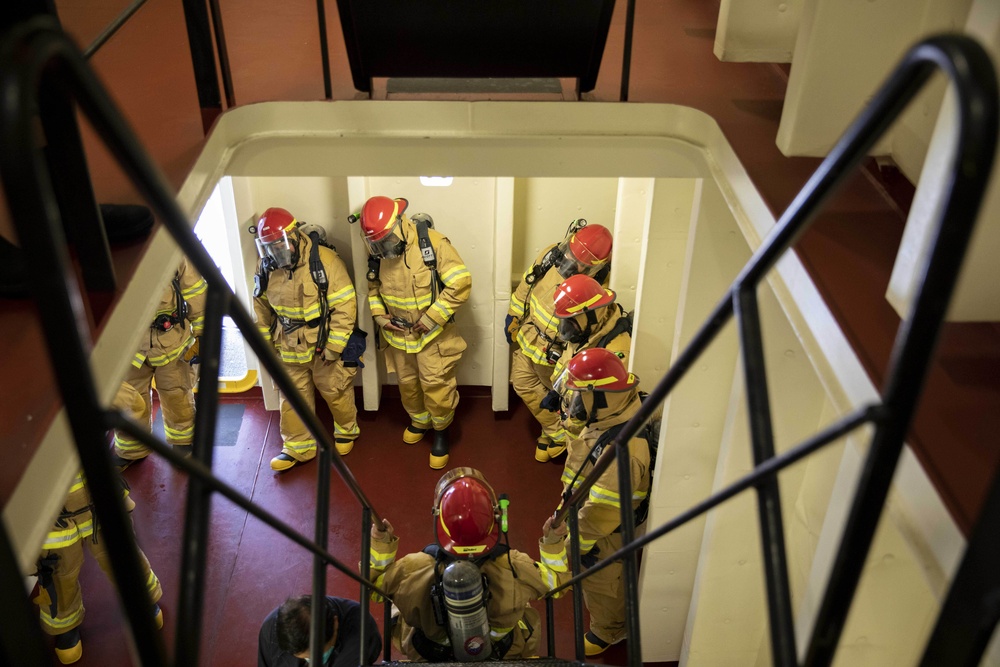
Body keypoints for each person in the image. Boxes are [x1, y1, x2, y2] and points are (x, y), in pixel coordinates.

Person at [35, 382, 164, 664]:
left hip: (98, 500)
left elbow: (135, 403)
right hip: (50, 514)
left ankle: (144, 597)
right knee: (57, 572)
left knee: (122, 552)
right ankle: (65, 625)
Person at [366, 468, 550, 661]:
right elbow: (555, 581)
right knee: (523, 600)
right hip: (503, 651)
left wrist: (381, 542)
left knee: (398, 605)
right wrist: (552, 539)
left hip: (430, 653)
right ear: (496, 518)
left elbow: (375, 586)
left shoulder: (411, 568)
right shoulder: (516, 566)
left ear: (440, 519)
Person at [538, 348, 651, 656]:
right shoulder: (610, 416)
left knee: (603, 582)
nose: (574, 404)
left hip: (604, 533)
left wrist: (572, 545)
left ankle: (610, 630)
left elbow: (603, 512)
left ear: (599, 396)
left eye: (579, 396)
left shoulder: (622, 453)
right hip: (587, 514)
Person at [357, 196, 471, 469]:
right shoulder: (377, 253)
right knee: (407, 383)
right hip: (397, 336)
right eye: (377, 243)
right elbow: (373, 290)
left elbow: (461, 283)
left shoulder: (433, 244)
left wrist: (432, 318)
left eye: (386, 239)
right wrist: (381, 318)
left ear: (399, 223)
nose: (383, 247)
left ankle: (441, 432)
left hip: (432, 336)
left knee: (436, 386)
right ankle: (420, 421)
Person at [252, 207, 365, 471]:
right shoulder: (266, 266)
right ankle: (297, 447)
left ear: (293, 237)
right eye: (269, 247)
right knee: (292, 396)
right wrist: (264, 349)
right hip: (288, 344)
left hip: (322, 344)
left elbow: (345, 305)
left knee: (335, 390)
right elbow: (261, 309)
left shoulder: (325, 261)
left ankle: (347, 430)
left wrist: (335, 347)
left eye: (279, 245)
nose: (275, 252)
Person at [505, 220, 613, 463]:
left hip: (557, 353)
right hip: (529, 337)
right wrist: (513, 315)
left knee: (560, 400)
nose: (571, 264)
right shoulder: (550, 254)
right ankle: (555, 433)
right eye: (570, 255)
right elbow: (528, 283)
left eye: (580, 264)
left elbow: (589, 329)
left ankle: (560, 437)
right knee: (522, 383)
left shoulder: (598, 287)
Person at [112, 258, 206, 468]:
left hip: (172, 342)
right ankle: (131, 448)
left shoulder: (175, 253)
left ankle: (183, 442)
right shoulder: (110, 256)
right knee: (130, 398)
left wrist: (203, 335)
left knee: (176, 392)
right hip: (130, 347)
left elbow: (196, 294)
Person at [542, 274, 633, 447]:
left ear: (591, 315)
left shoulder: (615, 354)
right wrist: (557, 393)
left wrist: (571, 423)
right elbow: (566, 365)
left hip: (587, 434)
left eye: (570, 322)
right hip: (570, 419)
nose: (565, 328)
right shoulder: (583, 334)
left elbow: (599, 410)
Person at [258, 595, 382, 667]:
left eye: (316, 656)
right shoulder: (271, 632)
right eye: (306, 658)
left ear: (335, 624)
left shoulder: (362, 633)